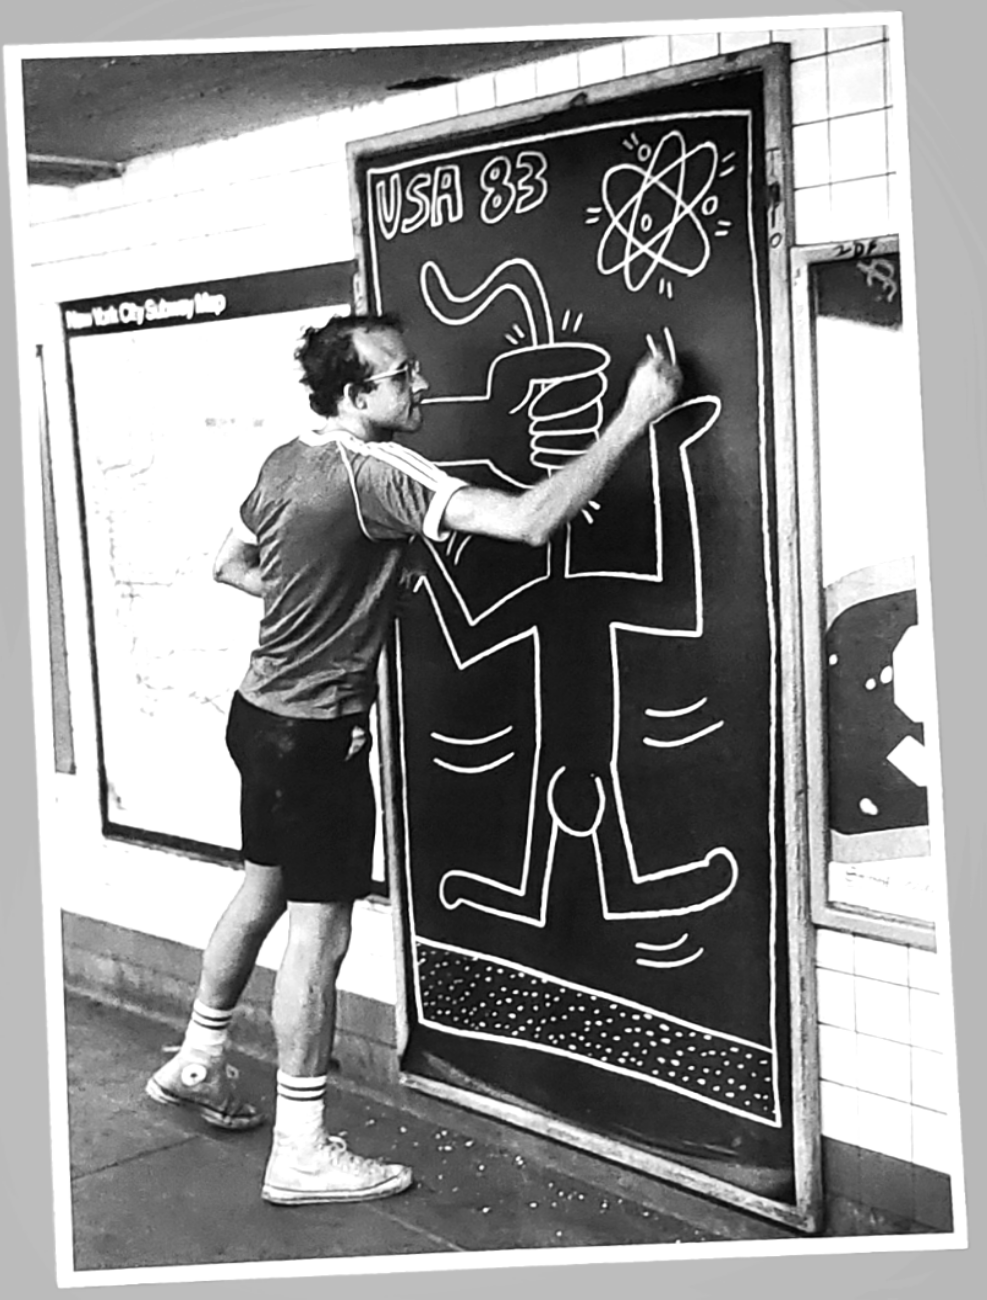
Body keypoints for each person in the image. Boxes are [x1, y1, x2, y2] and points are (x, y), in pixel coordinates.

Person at [145, 311, 681, 1206]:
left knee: (262, 889)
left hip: (258, 717)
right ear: (357, 396)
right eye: (401, 377)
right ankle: (302, 1150)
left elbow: (232, 565)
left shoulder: (288, 457)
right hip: (316, 737)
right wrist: (636, 416)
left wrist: (338, 599)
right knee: (319, 932)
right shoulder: (379, 472)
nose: (421, 385)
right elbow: (529, 522)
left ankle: (198, 1060)